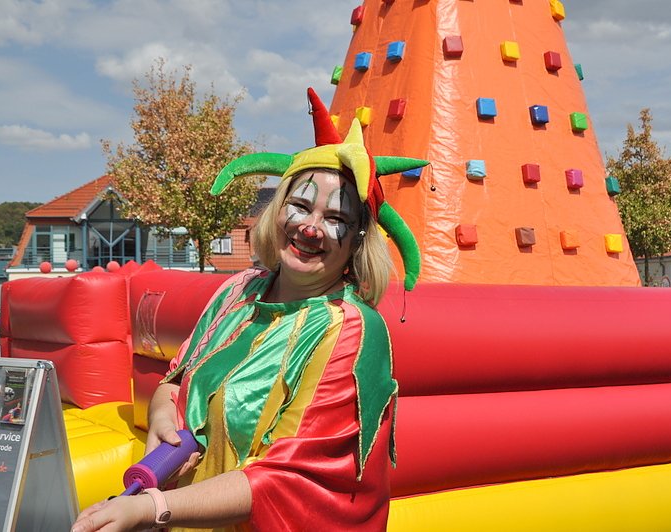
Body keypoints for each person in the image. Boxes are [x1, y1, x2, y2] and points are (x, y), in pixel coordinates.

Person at [72, 88, 428, 532]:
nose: (310, 227)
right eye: (299, 205)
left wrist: (152, 509)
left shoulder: (352, 331)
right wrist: (162, 419)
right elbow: (178, 379)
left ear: (357, 239)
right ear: (277, 210)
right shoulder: (238, 291)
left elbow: (291, 478)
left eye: (335, 218)